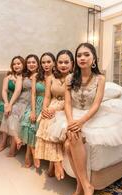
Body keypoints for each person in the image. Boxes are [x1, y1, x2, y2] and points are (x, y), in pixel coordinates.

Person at [52, 43, 122, 195]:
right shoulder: (70, 78)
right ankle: (86, 186)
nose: (82, 58)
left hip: (93, 115)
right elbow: (67, 103)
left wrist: (81, 122)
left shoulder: (100, 78)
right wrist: (72, 121)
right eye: (79, 55)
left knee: (68, 143)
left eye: (86, 54)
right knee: (71, 137)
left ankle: (81, 187)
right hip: (72, 114)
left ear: (94, 58)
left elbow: (97, 104)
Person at [35, 50, 74, 180]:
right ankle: (55, 163)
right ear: (56, 64)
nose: (63, 65)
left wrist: (56, 110)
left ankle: (56, 163)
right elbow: (47, 96)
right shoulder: (50, 78)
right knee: (44, 120)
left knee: (54, 124)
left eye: (66, 62)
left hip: (66, 107)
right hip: (52, 104)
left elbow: (72, 100)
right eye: (60, 62)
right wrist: (44, 108)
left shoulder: (75, 78)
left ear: (72, 63)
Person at [20, 52, 55, 168]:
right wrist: (33, 111)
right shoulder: (36, 76)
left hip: (49, 105)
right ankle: (32, 153)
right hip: (36, 103)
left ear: (53, 63)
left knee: (38, 124)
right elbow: (33, 94)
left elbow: (51, 96)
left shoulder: (54, 77)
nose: (46, 65)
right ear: (41, 64)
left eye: (48, 62)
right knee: (28, 120)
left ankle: (31, 154)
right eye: (43, 62)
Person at [0, 54, 38, 157]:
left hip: (33, 102)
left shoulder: (41, 75)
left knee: (19, 116)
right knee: (10, 113)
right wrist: (9, 104)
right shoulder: (23, 75)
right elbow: (17, 90)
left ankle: (15, 145)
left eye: (33, 62)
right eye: (29, 62)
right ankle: (17, 139)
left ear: (38, 63)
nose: (31, 64)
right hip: (21, 100)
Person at [0, 56, 25, 152]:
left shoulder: (25, 76)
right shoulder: (8, 76)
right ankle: (3, 141)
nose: (16, 66)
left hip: (20, 100)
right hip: (8, 99)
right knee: (4, 109)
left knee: (10, 112)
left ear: (23, 64)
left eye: (18, 63)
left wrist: (10, 105)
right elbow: (4, 90)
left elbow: (18, 91)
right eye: (14, 64)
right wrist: (7, 103)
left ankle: (10, 142)